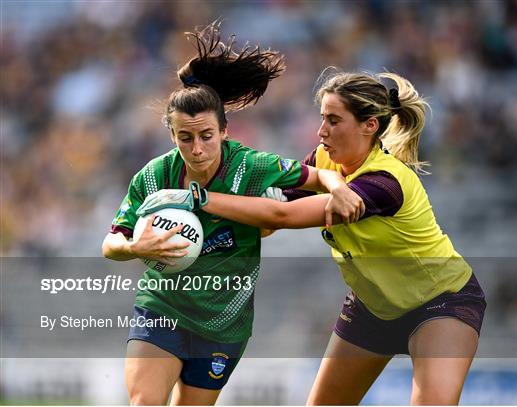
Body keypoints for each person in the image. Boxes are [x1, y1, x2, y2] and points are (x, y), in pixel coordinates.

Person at [156, 70, 487, 405]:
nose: (321, 131)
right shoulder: (324, 161)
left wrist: (198, 198)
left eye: (333, 120)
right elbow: (270, 216)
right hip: (372, 308)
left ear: (369, 125)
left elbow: (282, 216)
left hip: (440, 302)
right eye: (321, 118)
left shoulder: (384, 183)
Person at [101, 24, 362, 406]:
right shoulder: (154, 175)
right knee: (144, 402)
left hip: (224, 321)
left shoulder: (252, 166)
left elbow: (319, 175)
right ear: (171, 135)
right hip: (162, 307)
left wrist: (338, 187)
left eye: (206, 135)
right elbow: (111, 242)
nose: (197, 148)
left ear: (225, 130)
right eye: (184, 138)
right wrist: (133, 247)